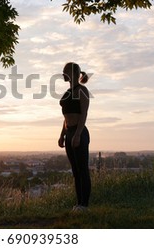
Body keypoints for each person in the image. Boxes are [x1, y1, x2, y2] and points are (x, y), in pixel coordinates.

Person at [58, 62, 91, 212]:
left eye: (64, 72)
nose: (62, 74)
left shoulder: (82, 91)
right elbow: (65, 117)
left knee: (82, 170)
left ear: (72, 73)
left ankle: (84, 205)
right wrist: (62, 135)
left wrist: (77, 134)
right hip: (69, 132)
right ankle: (79, 204)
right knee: (75, 172)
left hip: (79, 133)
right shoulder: (67, 93)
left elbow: (83, 114)